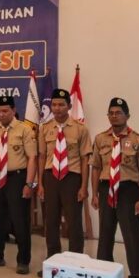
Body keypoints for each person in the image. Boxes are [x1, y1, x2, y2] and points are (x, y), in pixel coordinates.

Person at [90, 98, 139, 278]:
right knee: (105, 234)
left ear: (127, 116)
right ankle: (104, 273)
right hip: (105, 188)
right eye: (111, 113)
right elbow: (96, 167)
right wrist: (94, 194)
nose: (114, 116)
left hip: (128, 191)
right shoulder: (100, 139)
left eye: (118, 113)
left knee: (132, 236)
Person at [0, 96, 37, 274]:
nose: (1, 114)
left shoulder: (24, 130)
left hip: (17, 178)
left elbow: (32, 158)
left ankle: (23, 261)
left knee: (20, 221)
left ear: (13, 110)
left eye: (5, 111)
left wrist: (30, 184)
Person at [37, 89, 91, 263]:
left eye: (61, 104)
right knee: (51, 220)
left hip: (72, 177)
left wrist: (83, 186)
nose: (57, 108)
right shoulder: (45, 128)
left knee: (73, 221)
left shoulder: (80, 129)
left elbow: (85, 159)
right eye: (54, 104)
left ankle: (75, 261)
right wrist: (40, 183)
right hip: (50, 177)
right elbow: (42, 156)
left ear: (69, 106)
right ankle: (53, 259)